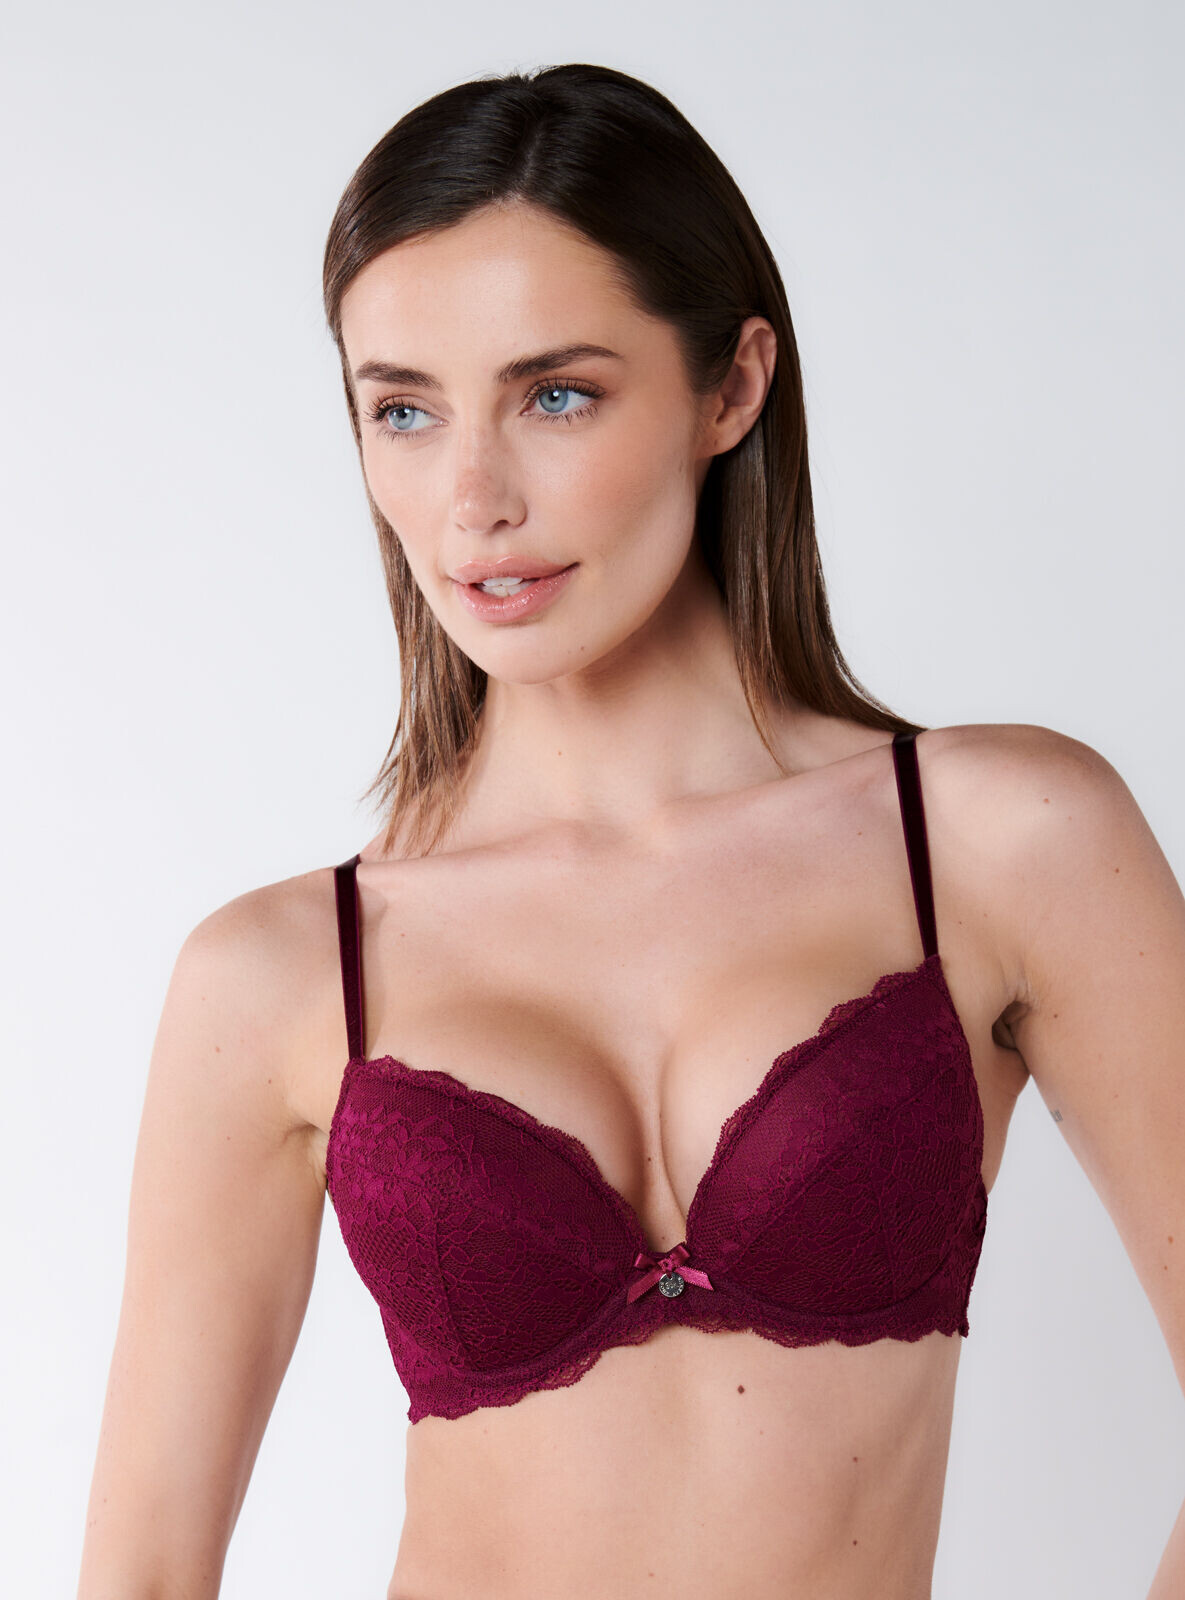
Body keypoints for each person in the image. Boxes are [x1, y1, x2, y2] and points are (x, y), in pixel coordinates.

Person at [77, 62, 1185, 1600]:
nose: (472, 497)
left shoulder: (1000, 843)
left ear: (730, 387)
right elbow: (139, 1573)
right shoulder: (279, 974)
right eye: (403, 410)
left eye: (555, 395)